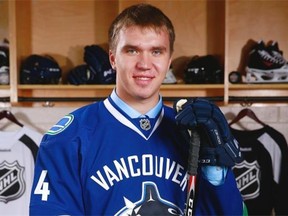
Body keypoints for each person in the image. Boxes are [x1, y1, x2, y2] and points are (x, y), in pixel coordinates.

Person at [29, 3, 244, 215]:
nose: (145, 64)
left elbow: (234, 213)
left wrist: (218, 179)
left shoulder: (193, 134)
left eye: (156, 52)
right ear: (113, 58)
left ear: (169, 61)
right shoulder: (69, 137)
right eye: (132, 50)